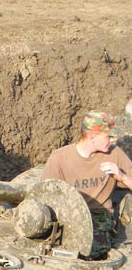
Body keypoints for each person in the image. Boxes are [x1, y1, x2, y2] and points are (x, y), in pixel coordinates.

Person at [42, 110, 132, 259]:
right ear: (92, 137)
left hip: (98, 216)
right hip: (68, 216)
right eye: (108, 136)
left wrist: (122, 176)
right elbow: (45, 195)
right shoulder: (60, 157)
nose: (112, 140)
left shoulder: (115, 154)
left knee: (89, 249)